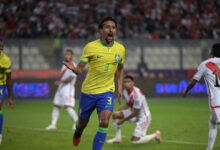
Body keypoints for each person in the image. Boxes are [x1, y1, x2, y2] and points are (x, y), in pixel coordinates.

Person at [63, 16, 125, 150]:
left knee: (104, 122)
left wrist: (120, 87)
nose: (111, 30)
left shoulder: (120, 49)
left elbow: (120, 68)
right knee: (82, 123)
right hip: (89, 92)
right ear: (101, 30)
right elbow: (80, 69)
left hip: (107, 91)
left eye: (113, 28)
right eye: (107, 27)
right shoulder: (91, 47)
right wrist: (74, 69)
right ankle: (78, 132)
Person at [183, 43, 220, 150]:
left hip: (216, 101)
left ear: (212, 52)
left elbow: (194, 82)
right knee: (212, 122)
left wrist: (186, 91)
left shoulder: (205, 64)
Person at [107, 75, 162, 144]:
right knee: (116, 115)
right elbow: (128, 104)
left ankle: (155, 135)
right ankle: (118, 138)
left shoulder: (137, 94)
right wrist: (119, 110)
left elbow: (136, 112)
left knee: (134, 141)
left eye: (129, 82)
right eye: (125, 82)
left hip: (144, 117)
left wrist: (123, 120)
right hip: (134, 113)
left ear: (133, 83)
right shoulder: (125, 91)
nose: (126, 84)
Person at [46, 49, 78, 130]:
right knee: (56, 106)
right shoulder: (64, 64)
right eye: (66, 54)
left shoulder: (73, 65)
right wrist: (61, 83)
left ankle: (77, 123)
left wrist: (60, 81)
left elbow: (71, 78)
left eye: (69, 54)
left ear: (72, 56)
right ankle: (53, 125)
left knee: (67, 106)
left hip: (68, 87)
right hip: (61, 87)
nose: (67, 56)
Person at [0, 39, 14, 144]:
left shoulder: (6, 60)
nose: (1, 49)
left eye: (2, 47)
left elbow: (9, 79)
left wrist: (10, 98)